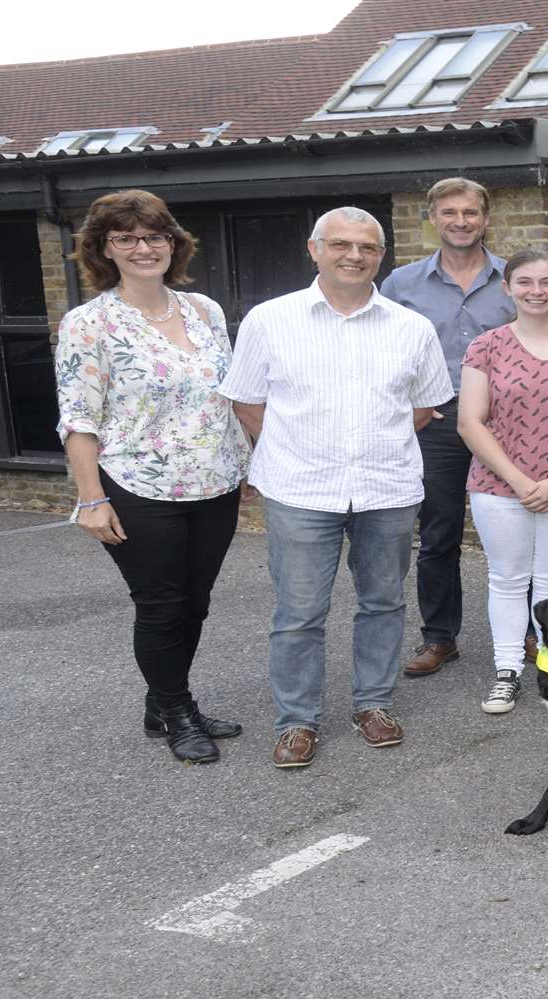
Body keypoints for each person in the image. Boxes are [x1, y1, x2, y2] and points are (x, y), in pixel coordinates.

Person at [221, 207, 452, 769]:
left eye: (367, 247)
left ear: (381, 255)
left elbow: (424, 407)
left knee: (383, 603)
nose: (354, 256)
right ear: (314, 249)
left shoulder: (410, 327)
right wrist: (294, 445)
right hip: (300, 488)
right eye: (341, 244)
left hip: (387, 488)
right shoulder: (269, 320)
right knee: (299, 611)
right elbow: (247, 400)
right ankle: (296, 721)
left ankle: (373, 705)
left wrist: (373, 441)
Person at [53, 189, 251, 764]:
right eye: (126, 238)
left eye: (154, 235)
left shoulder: (205, 311)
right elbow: (79, 419)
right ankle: (177, 711)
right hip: (137, 486)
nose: (144, 247)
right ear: (103, 249)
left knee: (196, 602)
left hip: (214, 482)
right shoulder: (88, 323)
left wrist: (250, 459)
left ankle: (161, 699)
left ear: (173, 242)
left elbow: (230, 395)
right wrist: (92, 499)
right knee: (162, 605)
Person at [456, 250, 548, 714]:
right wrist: (520, 480)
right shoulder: (487, 346)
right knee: (506, 578)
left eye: (546, 282)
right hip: (500, 485)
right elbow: (470, 422)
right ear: (507, 287)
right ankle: (506, 672)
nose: (536, 291)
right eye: (525, 282)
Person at [379, 177, 516, 679]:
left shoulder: (513, 278)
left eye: (471, 212)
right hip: (434, 421)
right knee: (438, 533)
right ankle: (440, 637)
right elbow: (382, 352)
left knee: (516, 527)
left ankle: (526, 629)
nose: (461, 221)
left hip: (505, 424)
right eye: (450, 213)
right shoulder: (400, 285)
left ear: (486, 218)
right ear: (432, 219)